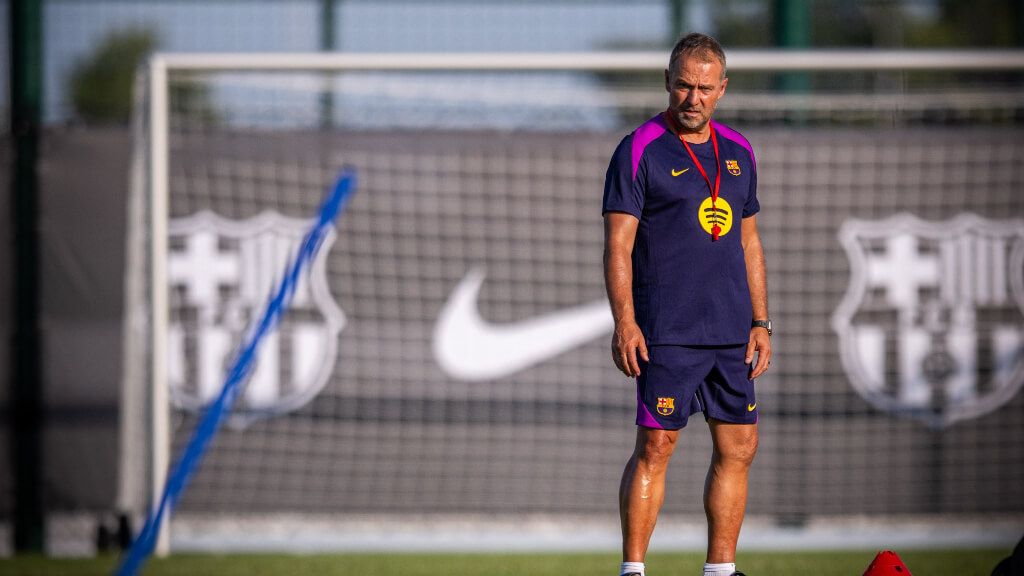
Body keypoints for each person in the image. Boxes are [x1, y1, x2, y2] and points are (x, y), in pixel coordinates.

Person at [602, 32, 771, 576]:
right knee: (656, 445)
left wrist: (761, 321)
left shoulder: (740, 151)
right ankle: (633, 570)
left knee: (740, 447)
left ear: (722, 89)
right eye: (682, 86)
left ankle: (720, 571)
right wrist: (625, 322)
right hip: (667, 331)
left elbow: (749, 242)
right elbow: (618, 245)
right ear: (667, 83)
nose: (692, 99)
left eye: (704, 88)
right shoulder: (638, 149)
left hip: (730, 332)